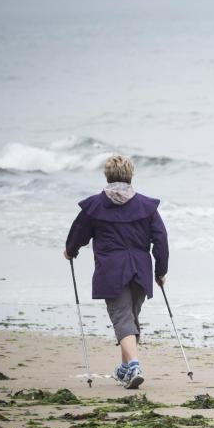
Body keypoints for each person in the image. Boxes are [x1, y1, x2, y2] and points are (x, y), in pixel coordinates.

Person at [64, 155, 169, 389]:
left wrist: (70, 251)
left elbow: (78, 232)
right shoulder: (146, 206)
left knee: (123, 319)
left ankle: (133, 365)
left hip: (111, 269)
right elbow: (161, 239)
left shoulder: (95, 206)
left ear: (107, 175)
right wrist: (161, 270)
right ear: (131, 175)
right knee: (129, 318)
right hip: (140, 269)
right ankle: (124, 370)